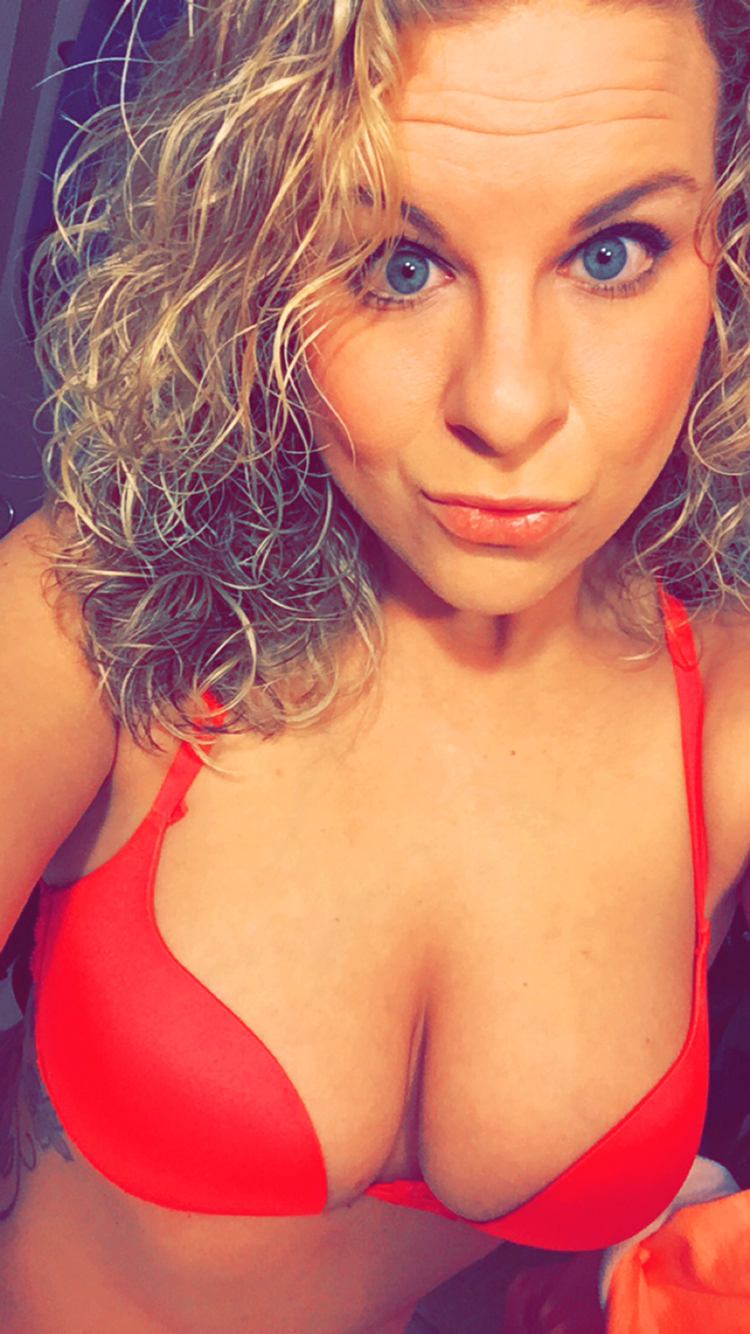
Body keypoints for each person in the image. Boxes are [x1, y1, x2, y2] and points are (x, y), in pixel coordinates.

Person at [2, 0, 750, 1329]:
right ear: (260, 259)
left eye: (613, 252)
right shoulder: (89, 615)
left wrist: (623, 1261)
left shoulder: (725, 711)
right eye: (398, 264)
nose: (506, 405)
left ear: (727, 246)